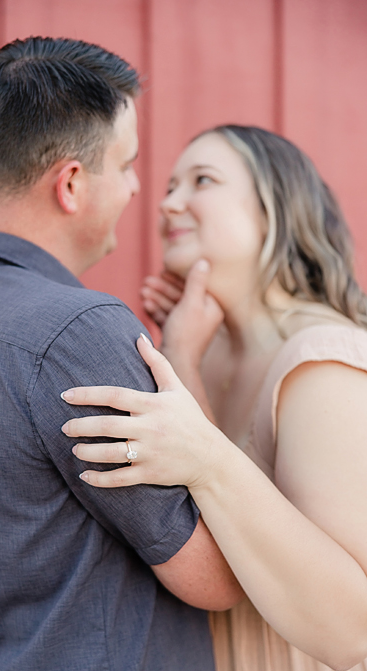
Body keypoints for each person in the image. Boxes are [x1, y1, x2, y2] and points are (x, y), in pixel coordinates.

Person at [0, 37, 242, 670]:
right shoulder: (80, 333)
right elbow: (220, 578)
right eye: (126, 165)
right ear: (70, 184)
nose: (135, 189)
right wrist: (183, 358)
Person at [62, 125, 367, 670]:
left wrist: (207, 457)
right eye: (170, 186)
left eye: (202, 180)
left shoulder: (323, 361)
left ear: (276, 208)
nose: (168, 203)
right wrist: (181, 351)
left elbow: (354, 631)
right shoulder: (202, 352)